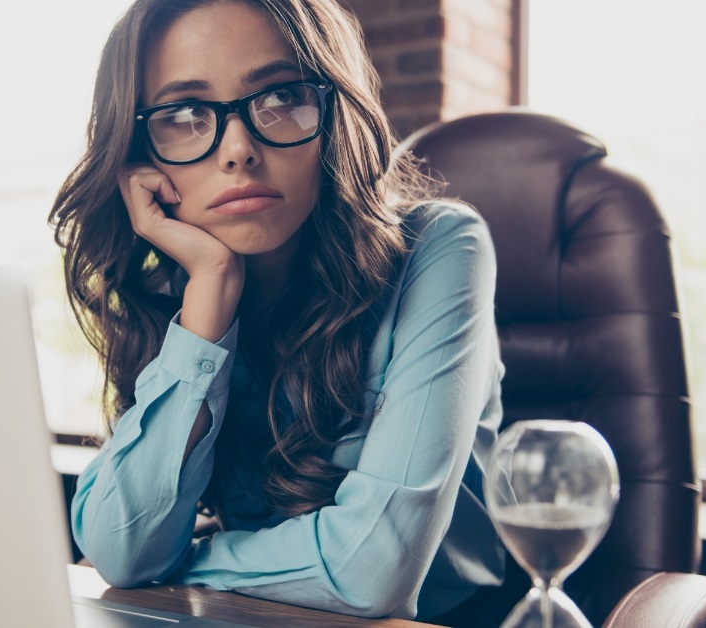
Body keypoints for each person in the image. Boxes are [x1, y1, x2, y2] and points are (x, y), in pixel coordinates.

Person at [49, 0, 505, 622]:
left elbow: (372, 571)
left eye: (282, 97)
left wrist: (188, 559)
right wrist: (209, 295)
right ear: (140, 155)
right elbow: (122, 548)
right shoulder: (181, 292)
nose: (237, 149)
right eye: (184, 114)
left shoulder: (443, 245)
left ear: (333, 115)